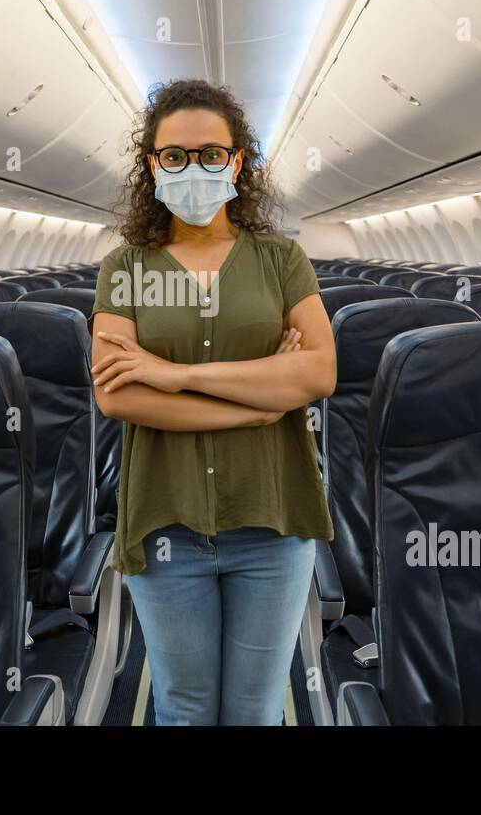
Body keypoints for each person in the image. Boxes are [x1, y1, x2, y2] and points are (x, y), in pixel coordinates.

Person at [90, 77, 336, 725]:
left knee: (254, 711)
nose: (192, 168)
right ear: (152, 165)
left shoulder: (283, 260)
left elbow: (318, 373)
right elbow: (117, 396)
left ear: (237, 161)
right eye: (175, 155)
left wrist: (172, 377)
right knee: (185, 707)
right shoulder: (125, 268)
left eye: (209, 153)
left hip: (273, 524)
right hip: (165, 523)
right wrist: (255, 404)